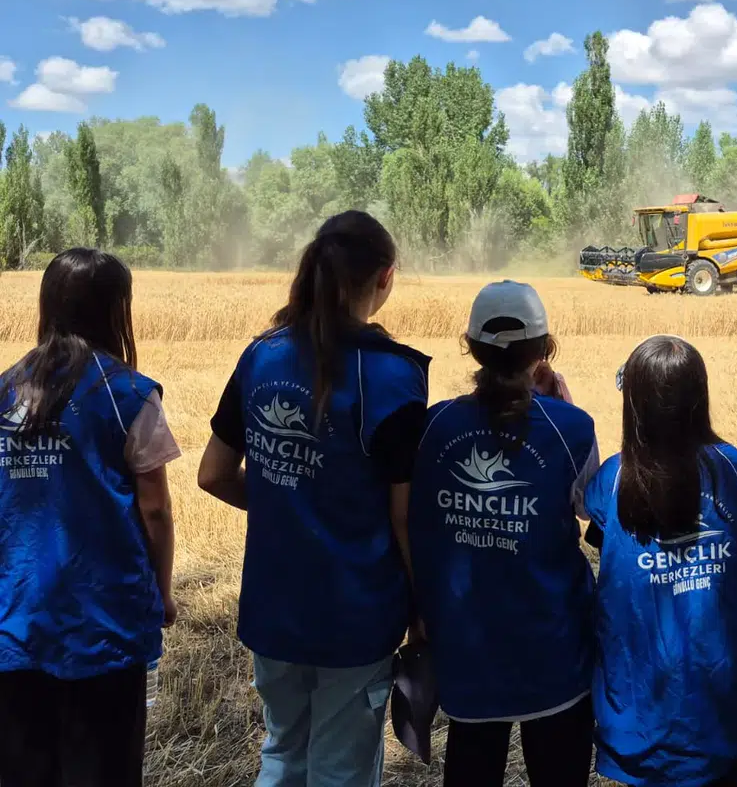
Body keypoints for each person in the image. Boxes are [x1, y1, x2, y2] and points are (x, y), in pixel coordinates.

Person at [198, 211, 429, 787]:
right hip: (355, 613)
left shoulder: (261, 358)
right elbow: (404, 517)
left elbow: (213, 474)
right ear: (385, 277)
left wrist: (289, 497)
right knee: (341, 769)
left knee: (282, 753)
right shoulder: (394, 378)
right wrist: (423, 612)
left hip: (274, 604)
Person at [0, 249, 180, 787]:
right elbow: (155, 510)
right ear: (115, 310)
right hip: (104, 624)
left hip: (16, 614)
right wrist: (163, 593)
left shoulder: (5, 387)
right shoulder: (130, 392)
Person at [410, 280, 598, 787]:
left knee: (471, 764)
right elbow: (589, 514)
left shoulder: (434, 426)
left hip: (467, 648)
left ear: (470, 348)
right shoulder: (573, 428)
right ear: (544, 351)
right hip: (553, 648)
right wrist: (563, 406)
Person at [582, 335, 737, 787]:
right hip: (718, 690)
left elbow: (597, 534)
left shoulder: (612, 481)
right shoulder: (733, 470)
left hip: (642, 698)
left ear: (634, 406)